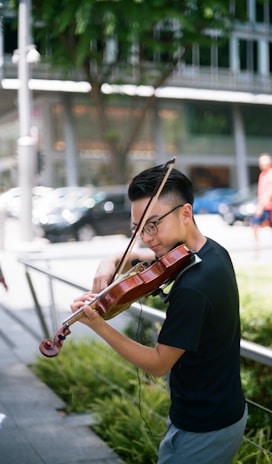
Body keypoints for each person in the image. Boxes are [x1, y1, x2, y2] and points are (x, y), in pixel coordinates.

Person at [70, 164, 247, 464]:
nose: (145, 237)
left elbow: (158, 363)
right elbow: (148, 257)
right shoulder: (210, 252)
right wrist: (111, 259)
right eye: (137, 229)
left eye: (153, 225)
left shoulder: (194, 287)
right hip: (209, 411)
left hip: (206, 426)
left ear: (186, 214)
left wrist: (99, 326)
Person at [250, 153, 272, 257]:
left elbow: (270, 191)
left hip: (269, 206)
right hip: (263, 205)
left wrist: (261, 206)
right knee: (255, 226)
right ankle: (257, 250)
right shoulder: (262, 174)